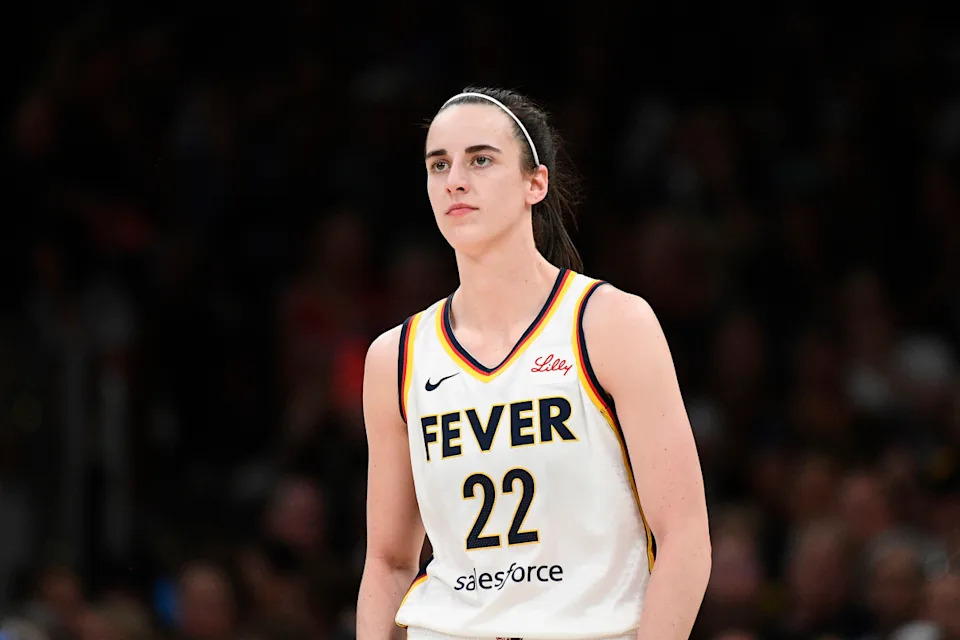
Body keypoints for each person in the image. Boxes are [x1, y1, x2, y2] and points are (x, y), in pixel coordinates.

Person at [357, 87, 711, 640]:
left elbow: (685, 537)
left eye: (480, 159)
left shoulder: (610, 324)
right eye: (438, 164)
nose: (455, 180)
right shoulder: (395, 358)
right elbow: (388, 562)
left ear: (535, 183)